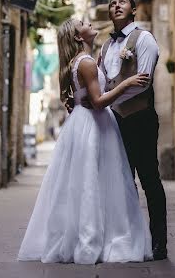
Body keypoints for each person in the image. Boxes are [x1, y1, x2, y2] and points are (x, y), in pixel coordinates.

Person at [18, 18, 153, 265]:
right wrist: (127, 83)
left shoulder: (81, 61)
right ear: (79, 37)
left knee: (86, 182)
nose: (89, 22)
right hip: (94, 122)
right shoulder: (87, 63)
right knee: (97, 180)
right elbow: (99, 101)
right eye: (83, 23)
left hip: (84, 122)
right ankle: (93, 240)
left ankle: (85, 236)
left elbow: (80, 98)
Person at [99, 0, 168, 260]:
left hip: (141, 119)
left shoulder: (144, 39)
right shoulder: (105, 47)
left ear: (134, 10)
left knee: (149, 179)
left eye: (122, 2)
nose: (116, 5)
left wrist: (109, 98)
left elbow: (144, 81)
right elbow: (103, 83)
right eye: (112, 3)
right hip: (115, 122)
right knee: (122, 182)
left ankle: (159, 242)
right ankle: (126, 240)